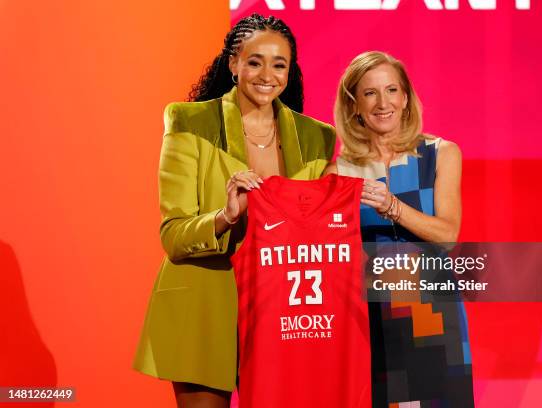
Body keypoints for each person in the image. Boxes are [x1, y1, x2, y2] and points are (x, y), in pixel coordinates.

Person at [133, 14, 335, 408]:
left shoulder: (318, 137)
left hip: (284, 313)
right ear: (233, 63)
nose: (267, 74)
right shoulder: (189, 121)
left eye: (280, 64)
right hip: (204, 308)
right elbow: (173, 237)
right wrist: (225, 216)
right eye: (254, 61)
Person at [325, 51, 474, 407]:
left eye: (392, 90)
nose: (383, 103)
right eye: (370, 93)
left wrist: (392, 206)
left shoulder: (441, 153)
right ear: (354, 104)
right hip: (373, 319)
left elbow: (447, 235)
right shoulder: (338, 172)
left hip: (435, 315)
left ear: (405, 98)